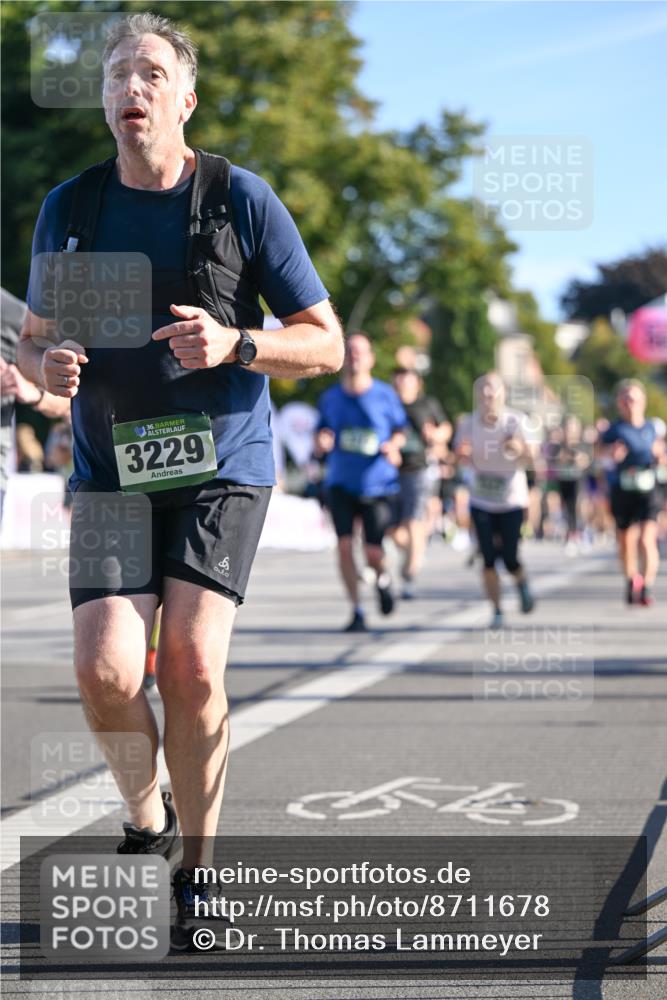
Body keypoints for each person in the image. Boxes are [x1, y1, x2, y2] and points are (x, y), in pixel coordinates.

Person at [17, 12, 343, 950]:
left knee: (193, 667)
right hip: (111, 471)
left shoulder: (241, 199)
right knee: (105, 672)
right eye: (118, 73)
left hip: (219, 469)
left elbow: (322, 341)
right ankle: (146, 815)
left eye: (152, 72)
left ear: (185, 98)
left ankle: (201, 868)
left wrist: (239, 341)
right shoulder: (70, 210)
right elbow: (36, 350)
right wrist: (49, 373)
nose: (132, 87)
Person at [316, 333, 407, 632]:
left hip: (377, 485)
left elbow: (400, 431)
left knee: (373, 552)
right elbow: (322, 434)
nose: (354, 356)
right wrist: (322, 441)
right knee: (343, 547)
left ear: (370, 359)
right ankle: (356, 609)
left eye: (360, 352)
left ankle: (382, 579)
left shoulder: (385, 395)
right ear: (342, 359)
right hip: (340, 482)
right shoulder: (330, 398)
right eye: (349, 351)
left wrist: (394, 446)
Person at [455, 371, 535, 628]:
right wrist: (462, 455)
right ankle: (497, 609)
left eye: (494, 389)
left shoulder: (515, 420)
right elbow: (459, 456)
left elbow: (532, 458)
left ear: (503, 394)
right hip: (481, 498)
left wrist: (519, 449)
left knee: (509, 558)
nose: (489, 395)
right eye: (484, 390)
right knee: (488, 557)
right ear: (478, 394)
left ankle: (521, 581)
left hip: (511, 498)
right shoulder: (467, 423)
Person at [600, 379, 663, 605]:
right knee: (626, 541)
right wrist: (610, 454)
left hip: (648, 489)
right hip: (622, 489)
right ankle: (630, 580)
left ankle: (646, 587)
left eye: (634, 399)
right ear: (619, 403)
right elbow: (600, 455)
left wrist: (660, 456)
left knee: (647, 540)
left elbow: (663, 457)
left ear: (642, 402)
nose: (630, 403)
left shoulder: (653, 428)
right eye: (625, 399)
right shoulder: (614, 430)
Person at [391, 366, 450, 597]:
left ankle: (409, 576)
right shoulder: (389, 404)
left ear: (417, 384)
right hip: (391, 471)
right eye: (400, 380)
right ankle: (416, 551)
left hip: (418, 470)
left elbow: (445, 428)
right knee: (394, 532)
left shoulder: (427, 404)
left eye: (408, 380)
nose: (403, 384)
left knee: (414, 522)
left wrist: (436, 435)